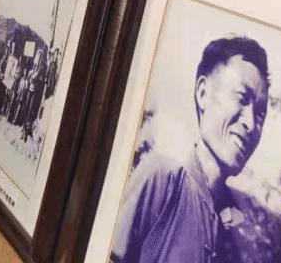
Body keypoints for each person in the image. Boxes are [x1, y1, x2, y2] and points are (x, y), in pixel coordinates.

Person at [111, 35, 269, 263]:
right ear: (203, 93)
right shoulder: (163, 179)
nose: (251, 123)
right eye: (242, 98)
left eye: (261, 114)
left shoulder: (235, 233)